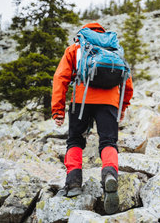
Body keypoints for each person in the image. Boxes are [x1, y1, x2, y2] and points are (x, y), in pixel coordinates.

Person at [51, 22, 133, 214]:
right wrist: (123, 106)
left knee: (75, 141)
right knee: (108, 142)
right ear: (102, 33)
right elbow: (127, 81)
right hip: (110, 101)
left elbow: (60, 78)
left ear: (85, 32)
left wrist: (58, 110)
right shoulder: (114, 49)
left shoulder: (76, 48)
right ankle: (110, 175)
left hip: (81, 99)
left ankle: (73, 183)